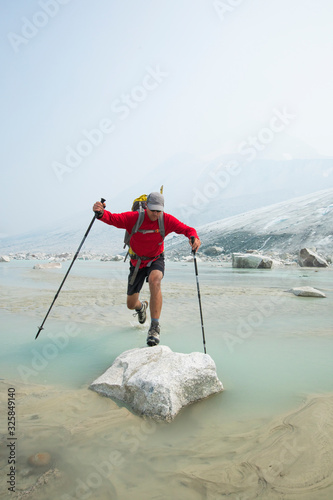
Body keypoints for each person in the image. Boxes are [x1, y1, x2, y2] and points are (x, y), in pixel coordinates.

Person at [93, 192, 201, 346]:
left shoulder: (166, 220)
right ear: (146, 207)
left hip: (156, 259)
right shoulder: (135, 218)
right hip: (137, 262)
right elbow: (114, 219)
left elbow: (187, 229)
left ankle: (154, 327)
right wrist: (101, 213)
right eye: (153, 210)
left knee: (155, 280)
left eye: (159, 210)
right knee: (130, 304)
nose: (156, 214)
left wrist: (194, 237)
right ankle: (141, 307)